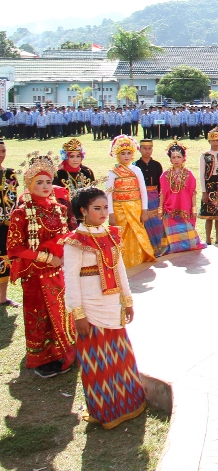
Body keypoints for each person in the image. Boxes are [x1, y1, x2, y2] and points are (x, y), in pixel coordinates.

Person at [63, 186, 147, 428]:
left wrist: (128, 300)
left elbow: (120, 270)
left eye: (105, 207)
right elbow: (70, 279)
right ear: (82, 211)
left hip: (112, 305)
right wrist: (77, 313)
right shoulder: (74, 241)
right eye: (96, 208)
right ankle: (105, 409)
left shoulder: (111, 234)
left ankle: (129, 403)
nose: (102, 212)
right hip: (89, 307)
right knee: (97, 359)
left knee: (119, 355)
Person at [7, 153, 77, 377]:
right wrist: (48, 258)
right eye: (39, 182)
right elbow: (15, 248)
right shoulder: (21, 213)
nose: (46, 186)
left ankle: (61, 352)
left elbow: (65, 236)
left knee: (60, 311)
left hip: (58, 271)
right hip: (35, 273)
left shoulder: (59, 208)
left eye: (48, 181)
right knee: (38, 315)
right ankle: (40, 359)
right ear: (29, 184)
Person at [106, 135, 156, 268]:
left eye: (129, 153)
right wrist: (110, 213)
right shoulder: (113, 172)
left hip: (135, 207)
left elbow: (143, 191)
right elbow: (108, 194)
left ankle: (138, 258)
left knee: (136, 233)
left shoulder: (137, 170)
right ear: (117, 154)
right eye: (123, 153)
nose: (126, 156)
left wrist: (144, 210)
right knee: (121, 234)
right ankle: (121, 262)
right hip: (119, 209)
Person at [155, 141, 204, 254]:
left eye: (179, 157)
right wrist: (160, 209)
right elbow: (162, 193)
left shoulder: (189, 174)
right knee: (172, 235)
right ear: (170, 159)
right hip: (169, 209)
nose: (176, 160)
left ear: (183, 158)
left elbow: (193, 192)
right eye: (174, 157)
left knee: (188, 234)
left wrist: (194, 209)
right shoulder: (165, 175)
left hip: (185, 208)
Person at [135, 138, 165, 257]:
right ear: (140, 149)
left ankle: (159, 248)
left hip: (155, 197)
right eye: (144, 148)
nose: (147, 151)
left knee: (158, 222)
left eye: (149, 148)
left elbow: (161, 184)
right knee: (145, 223)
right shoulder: (136, 166)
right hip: (141, 198)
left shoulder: (157, 165)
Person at [0, 139, 18, 309]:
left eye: (3, 151)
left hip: (5, 226)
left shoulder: (10, 174)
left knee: (4, 259)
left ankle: (2, 297)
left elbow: (15, 200)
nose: (1, 155)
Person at [199, 127, 218, 245]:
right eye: (213, 141)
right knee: (208, 215)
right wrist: (204, 191)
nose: (216, 143)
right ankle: (208, 238)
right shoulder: (204, 156)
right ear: (209, 141)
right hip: (209, 185)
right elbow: (201, 174)